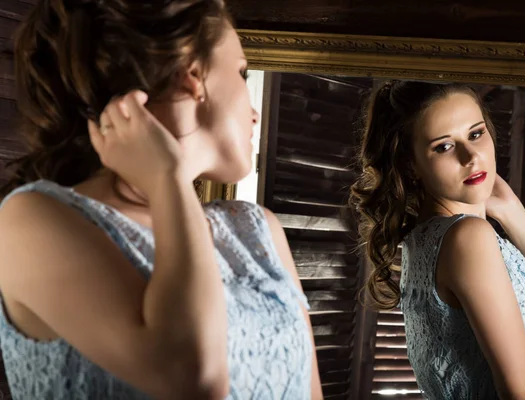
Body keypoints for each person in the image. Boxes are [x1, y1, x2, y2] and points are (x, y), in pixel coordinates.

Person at [0, 1, 323, 399]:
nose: (254, 113)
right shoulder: (28, 220)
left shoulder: (259, 230)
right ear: (192, 75)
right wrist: (166, 179)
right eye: (242, 71)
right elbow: (192, 377)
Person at [350, 80, 525, 399]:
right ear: (410, 165)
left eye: (476, 133)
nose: (471, 157)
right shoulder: (467, 238)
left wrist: (513, 214)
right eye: (443, 146)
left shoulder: (424, 240)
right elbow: (522, 392)